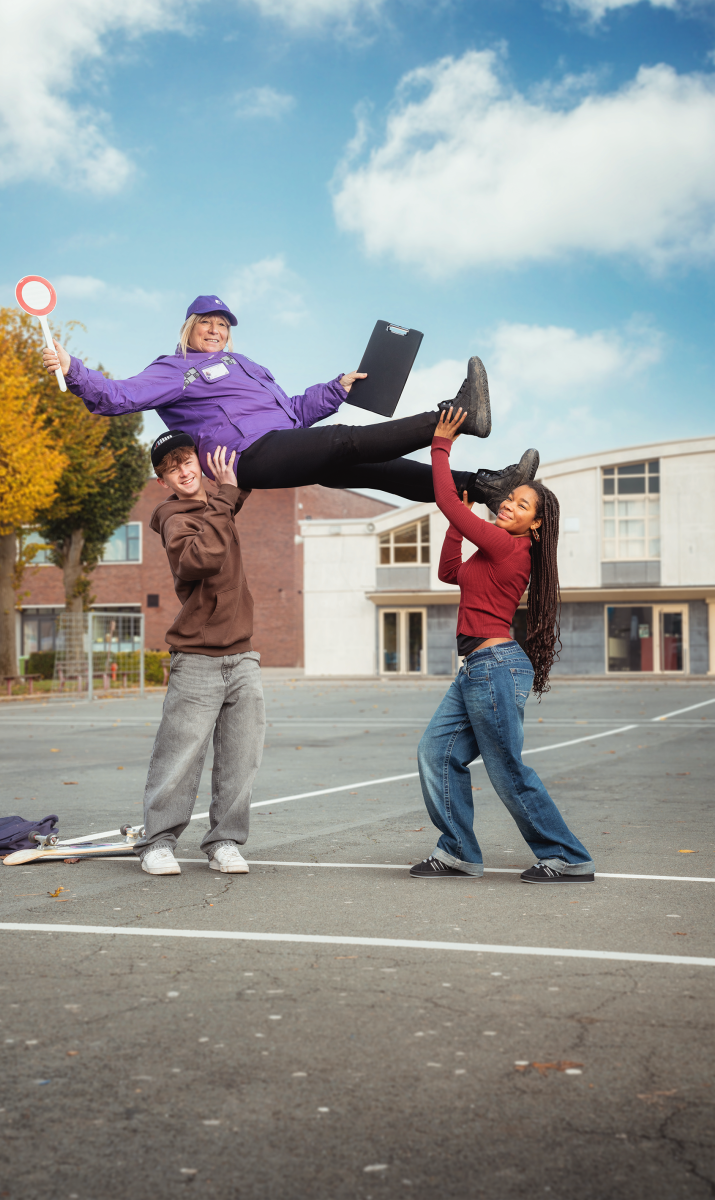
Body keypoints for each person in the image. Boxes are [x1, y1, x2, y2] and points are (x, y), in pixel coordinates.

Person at [42, 293, 539, 508]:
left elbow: (294, 414)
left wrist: (335, 390)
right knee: (347, 444)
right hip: (247, 457)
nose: (215, 330)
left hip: (284, 440)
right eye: (205, 323)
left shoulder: (249, 368)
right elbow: (117, 397)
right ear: (188, 330)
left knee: (382, 471)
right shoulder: (175, 370)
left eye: (222, 325)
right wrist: (73, 369)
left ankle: (486, 486)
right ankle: (458, 416)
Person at [409, 405, 594, 886]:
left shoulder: (512, 548)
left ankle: (567, 855)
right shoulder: (493, 548)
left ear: (535, 524)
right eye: (509, 498)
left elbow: (446, 502)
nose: (509, 504)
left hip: (494, 666)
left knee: (506, 767)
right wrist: (462, 518)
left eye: (521, 504)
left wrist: (442, 445)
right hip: (476, 668)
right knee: (435, 752)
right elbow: (449, 571)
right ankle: (458, 852)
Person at [133, 430, 265, 877]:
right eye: (172, 469)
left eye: (187, 461)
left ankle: (224, 841)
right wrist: (226, 498)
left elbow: (245, 480)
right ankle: (156, 843)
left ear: (199, 462)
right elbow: (201, 559)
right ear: (162, 482)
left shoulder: (217, 505)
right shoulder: (173, 517)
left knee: (241, 755)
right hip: (197, 657)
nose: (184, 472)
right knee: (181, 754)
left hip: (242, 655)